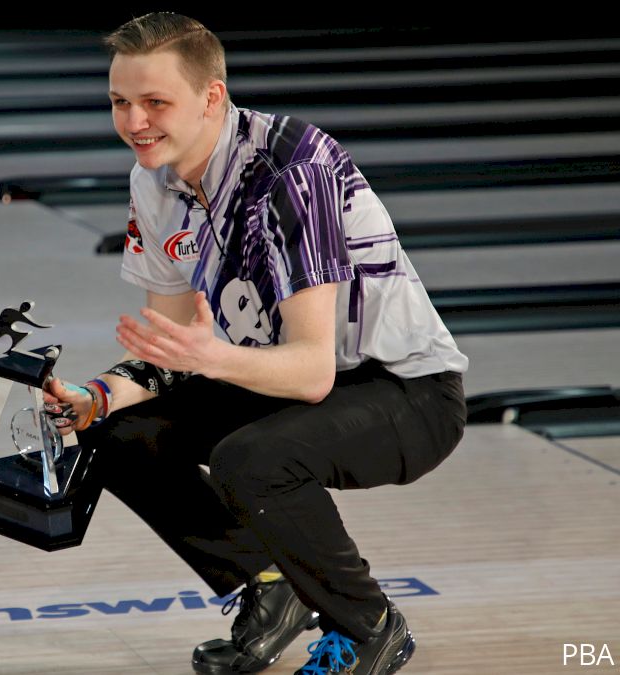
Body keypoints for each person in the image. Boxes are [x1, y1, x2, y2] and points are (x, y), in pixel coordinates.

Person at [42, 13, 468, 675]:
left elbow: (311, 371)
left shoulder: (292, 169)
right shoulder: (152, 178)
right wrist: (94, 396)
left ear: (212, 96)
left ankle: (369, 626)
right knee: (114, 431)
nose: (134, 122)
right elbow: (170, 349)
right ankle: (269, 585)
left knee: (252, 460)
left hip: (406, 392)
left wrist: (205, 357)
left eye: (155, 102)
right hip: (274, 374)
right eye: (121, 103)